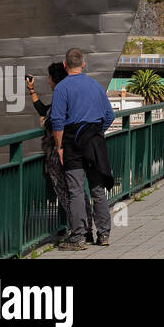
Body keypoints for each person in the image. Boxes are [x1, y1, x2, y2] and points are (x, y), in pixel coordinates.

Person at [48, 48, 115, 250]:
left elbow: (57, 122)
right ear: (83, 64)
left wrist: (59, 147)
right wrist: (96, 134)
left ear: (64, 64)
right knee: (97, 190)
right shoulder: (95, 86)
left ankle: (78, 237)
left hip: (72, 145)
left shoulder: (62, 88)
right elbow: (109, 116)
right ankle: (103, 234)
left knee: (76, 190)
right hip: (94, 142)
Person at [28, 63, 93, 244]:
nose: (47, 80)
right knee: (79, 191)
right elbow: (45, 110)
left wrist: (45, 124)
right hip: (75, 149)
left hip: (61, 152)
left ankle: (78, 232)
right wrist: (31, 91)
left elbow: (53, 121)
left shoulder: (60, 96)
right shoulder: (67, 95)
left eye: (49, 77)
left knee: (67, 193)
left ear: (54, 79)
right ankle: (86, 228)